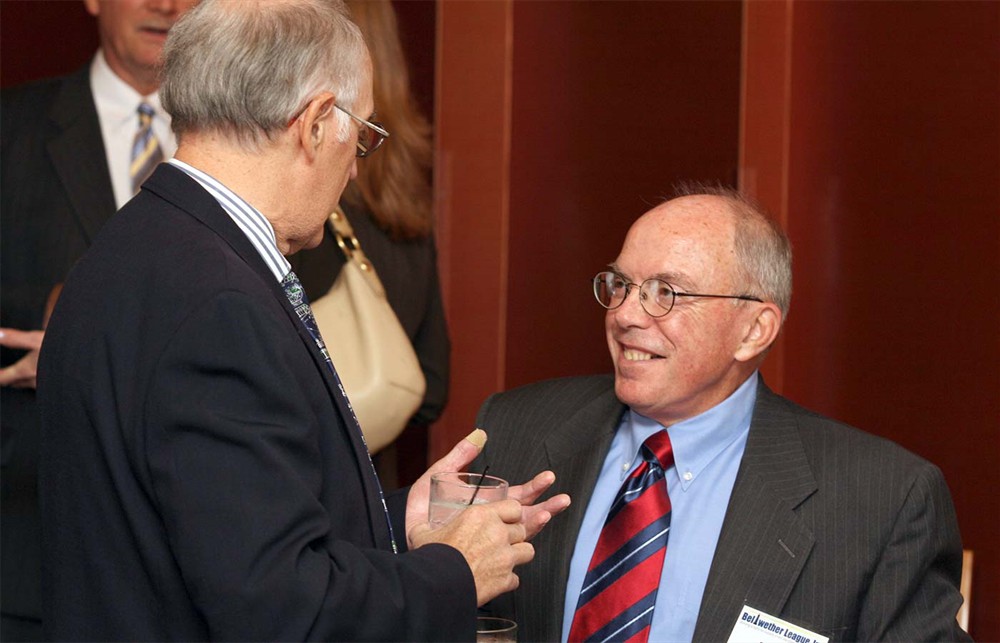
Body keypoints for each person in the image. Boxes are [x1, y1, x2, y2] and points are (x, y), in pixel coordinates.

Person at [36, 0, 569, 640]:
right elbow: (282, 610)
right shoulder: (217, 304)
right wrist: (456, 569)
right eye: (362, 134)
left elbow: (222, 528)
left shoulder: (138, 243)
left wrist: (391, 518)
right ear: (316, 123)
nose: (354, 167)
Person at [473, 186, 969, 642]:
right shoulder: (515, 428)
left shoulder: (881, 500)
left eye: (666, 292)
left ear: (754, 330)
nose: (625, 314)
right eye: (621, 284)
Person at [0, 0, 196, 638]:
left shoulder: (250, 138)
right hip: (35, 541)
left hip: (205, 553)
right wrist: (48, 317)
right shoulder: (12, 129)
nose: (165, 4)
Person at [290, 0, 447, 484]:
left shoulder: (296, 215)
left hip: (287, 498)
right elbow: (432, 384)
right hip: (374, 501)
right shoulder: (404, 201)